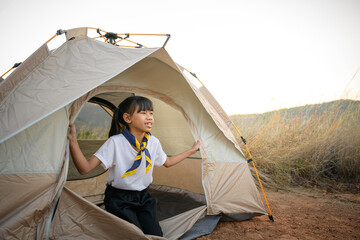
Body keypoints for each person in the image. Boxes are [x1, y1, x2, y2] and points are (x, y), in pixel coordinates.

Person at [68, 96, 200, 237]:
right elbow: (85, 168)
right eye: (143, 113)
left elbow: (167, 162)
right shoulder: (115, 142)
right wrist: (73, 142)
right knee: (134, 235)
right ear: (127, 118)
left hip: (143, 197)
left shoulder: (153, 142)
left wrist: (191, 151)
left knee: (156, 235)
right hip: (119, 199)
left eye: (151, 113)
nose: (149, 117)